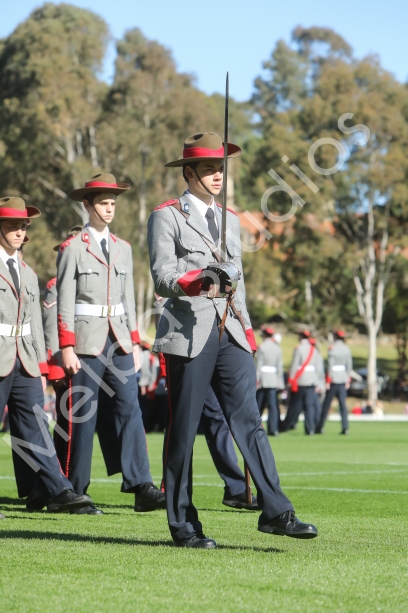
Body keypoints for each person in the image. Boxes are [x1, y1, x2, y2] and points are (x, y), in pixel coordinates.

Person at [147, 132, 318, 547]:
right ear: (189, 173)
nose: (217, 175)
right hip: (188, 331)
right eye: (209, 169)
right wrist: (197, 280)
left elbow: (237, 284)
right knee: (184, 430)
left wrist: (248, 330)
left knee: (250, 422)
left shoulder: (232, 219)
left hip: (232, 331)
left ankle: (276, 511)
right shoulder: (166, 217)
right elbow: (163, 276)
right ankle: (183, 525)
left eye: (220, 168)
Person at [56, 174, 165, 512]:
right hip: (85, 341)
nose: (109, 209)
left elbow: (128, 298)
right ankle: (76, 490)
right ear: (87, 205)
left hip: (119, 341)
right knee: (83, 415)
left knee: (130, 408)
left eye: (112, 203)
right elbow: (64, 300)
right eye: (103, 203)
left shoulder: (123, 248)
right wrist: (66, 346)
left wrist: (134, 343)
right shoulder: (72, 248)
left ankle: (141, 485)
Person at [0, 196, 93, 518]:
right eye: (13, 226)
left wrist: (42, 366)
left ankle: (59, 490)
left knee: (37, 427)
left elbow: (36, 325)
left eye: (23, 226)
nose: (20, 232)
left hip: (25, 360)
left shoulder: (27, 273)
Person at [280, 331, 324, 435]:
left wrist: (291, 379)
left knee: (295, 405)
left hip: (300, 380)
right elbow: (319, 368)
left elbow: (294, 365)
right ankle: (310, 429)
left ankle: (287, 425)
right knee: (309, 406)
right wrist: (319, 382)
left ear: (300, 337)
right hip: (312, 380)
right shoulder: (314, 349)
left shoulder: (299, 348)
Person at [317, 330, 353, 434]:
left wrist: (327, 380)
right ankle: (345, 427)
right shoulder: (346, 348)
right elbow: (349, 365)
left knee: (326, 404)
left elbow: (330, 365)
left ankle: (320, 426)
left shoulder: (332, 348)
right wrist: (348, 379)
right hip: (343, 379)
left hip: (333, 380)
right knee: (343, 405)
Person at [256, 326, 284, 436]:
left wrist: (256, 380)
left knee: (258, 405)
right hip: (273, 380)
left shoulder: (262, 347)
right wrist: (280, 382)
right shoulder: (277, 348)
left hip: (263, 379)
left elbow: (259, 365)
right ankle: (273, 429)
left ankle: (254, 426)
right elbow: (280, 367)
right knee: (273, 406)